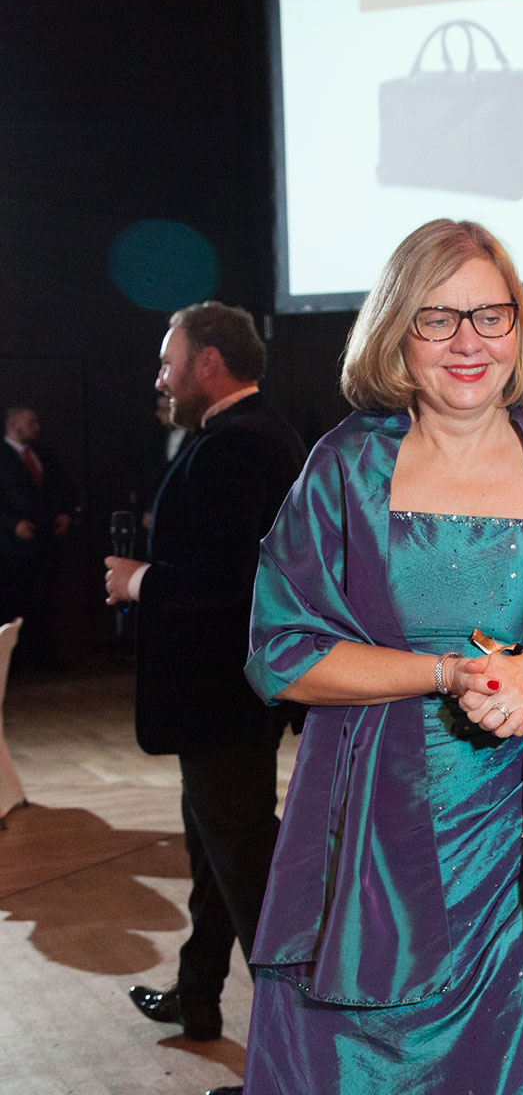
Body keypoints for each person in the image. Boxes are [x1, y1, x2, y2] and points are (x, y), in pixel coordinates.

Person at [238, 219, 523, 1093]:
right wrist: (447, 673)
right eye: (437, 318)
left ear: (518, 327)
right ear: (396, 333)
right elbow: (280, 652)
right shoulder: (343, 470)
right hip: (374, 845)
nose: (468, 342)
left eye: (490, 315)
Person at [102, 304, 304, 1058]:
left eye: (168, 362)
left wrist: (138, 581)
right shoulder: (265, 432)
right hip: (238, 691)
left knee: (245, 862)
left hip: (218, 694)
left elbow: (230, 581)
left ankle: (297, 1046)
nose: (160, 378)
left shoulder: (231, 446)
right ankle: (197, 994)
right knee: (217, 850)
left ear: (209, 362)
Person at [0, 406, 75, 667]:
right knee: (14, 601)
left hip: (44, 540)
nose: (37, 427)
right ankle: (15, 660)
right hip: (11, 546)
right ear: (13, 424)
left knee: (43, 599)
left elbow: (62, 487)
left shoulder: (43, 453)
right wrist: (13, 523)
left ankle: (40, 655)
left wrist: (65, 513)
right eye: (30, 422)